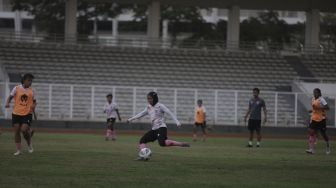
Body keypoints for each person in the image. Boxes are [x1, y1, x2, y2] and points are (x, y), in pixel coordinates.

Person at [127, 91, 190, 161]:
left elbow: (170, 113)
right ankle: (144, 156)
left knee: (162, 143)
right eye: (148, 99)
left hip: (161, 128)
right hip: (154, 129)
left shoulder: (160, 106)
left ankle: (181, 144)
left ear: (155, 98)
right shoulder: (148, 107)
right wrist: (130, 119)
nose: (149, 100)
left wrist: (177, 122)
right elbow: (141, 114)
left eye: (150, 98)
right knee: (142, 141)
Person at [5, 73, 36, 156]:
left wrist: (33, 106)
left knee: (24, 130)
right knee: (17, 131)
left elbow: (34, 102)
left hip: (27, 114)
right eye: (29, 80)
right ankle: (18, 150)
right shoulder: (16, 88)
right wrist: (7, 103)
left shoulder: (32, 91)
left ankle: (29, 144)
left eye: (31, 81)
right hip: (16, 113)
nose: (30, 82)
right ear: (24, 80)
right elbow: (10, 97)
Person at [306, 88, 330, 154]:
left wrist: (319, 108)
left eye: (316, 92)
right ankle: (311, 149)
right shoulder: (313, 99)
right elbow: (315, 109)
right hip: (314, 118)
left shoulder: (321, 99)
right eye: (314, 92)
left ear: (319, 93)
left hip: (321, 119)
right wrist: (312, 110)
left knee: (323, 134)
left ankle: (328, 146)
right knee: (311, 132)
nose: (315, 93)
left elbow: (327, 107)